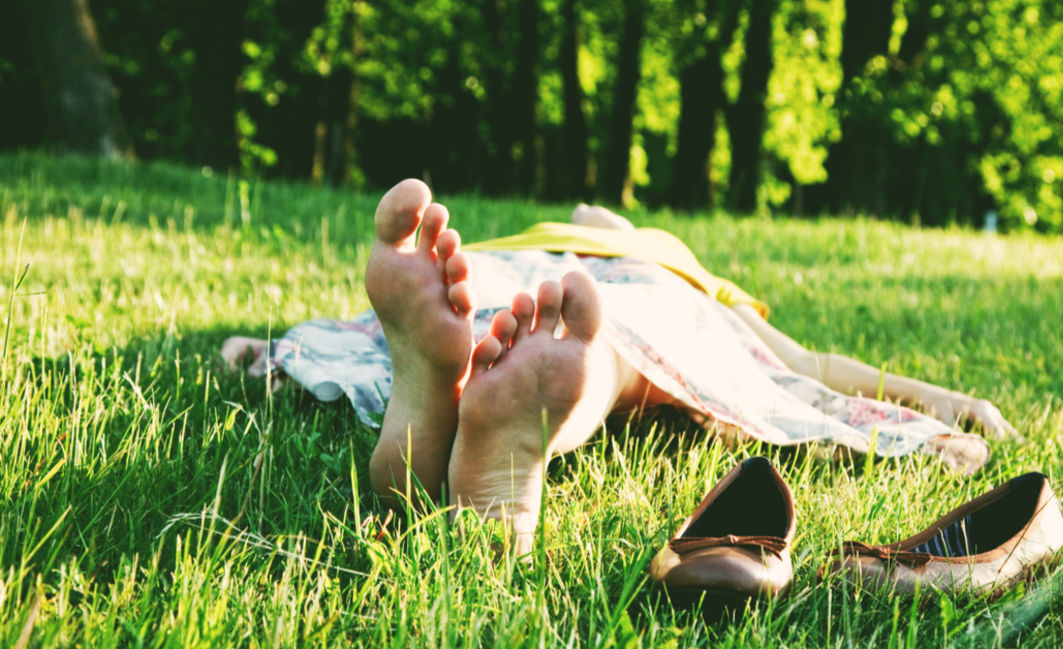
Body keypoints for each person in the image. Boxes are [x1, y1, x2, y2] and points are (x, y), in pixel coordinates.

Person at [224, 179, 1015, 554]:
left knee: (513, 323)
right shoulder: (667, 267)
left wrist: (278, 348)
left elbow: (812, 362)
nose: (591, 211)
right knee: (597, 350)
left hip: (524, 283)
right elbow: (812, 365)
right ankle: (496, 429)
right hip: (618, 303)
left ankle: (434, 403)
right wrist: (937, 400)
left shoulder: (659, 260)